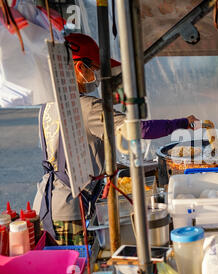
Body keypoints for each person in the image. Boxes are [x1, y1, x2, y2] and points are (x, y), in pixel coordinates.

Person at [32, 33, 199, 245]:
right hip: (71, 212)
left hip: (47, 205)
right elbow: (139, 129)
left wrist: (132, 168)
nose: (98, 75)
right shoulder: (86, 107)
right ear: (80, 68)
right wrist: (182, 123)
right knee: (82, 270)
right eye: (95, 68)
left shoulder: (49, 104)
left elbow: (76, 156)